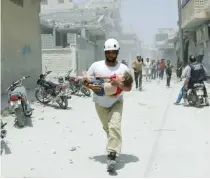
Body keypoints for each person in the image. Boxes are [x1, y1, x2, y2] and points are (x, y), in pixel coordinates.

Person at [86, 38, 132, 172]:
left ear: (117, 53)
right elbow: (86, 80)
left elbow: (128, 88)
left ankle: (112, 156)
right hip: (100, 103)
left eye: (113, 52)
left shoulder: (123, 69)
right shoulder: (96, 66)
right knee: (108, 129)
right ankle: (113, 142)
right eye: (108, 52)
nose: (111, 54)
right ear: (105, 52)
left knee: (114, 126)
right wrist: (90, 85)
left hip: (116, 102)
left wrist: (117, 83)